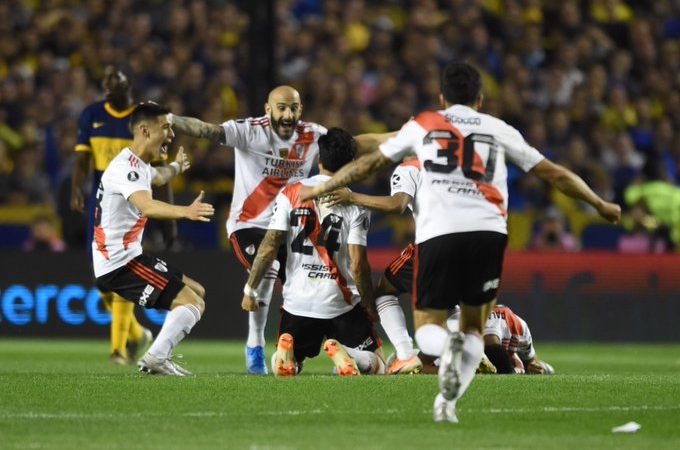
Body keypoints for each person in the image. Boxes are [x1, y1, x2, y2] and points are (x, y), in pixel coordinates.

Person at [299, 62, 620, 423]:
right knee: (473, 328)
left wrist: (324, 185)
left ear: (441, 98)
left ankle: (438, 346)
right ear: (480, 99)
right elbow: (556, 174)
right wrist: (599, 203)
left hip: (439, 233)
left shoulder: (424, 125)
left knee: (429, 329)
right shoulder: (499, 129)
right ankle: (446, 404)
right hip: (489, 235)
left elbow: (369, 159)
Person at [172, 86, 388, 374]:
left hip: (289, 223)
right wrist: (170, 118)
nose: (288, 115)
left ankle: (290, 346)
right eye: (281, 108)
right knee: (271, 266)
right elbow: (205, 130)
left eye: (293, 109)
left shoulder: (313, 135)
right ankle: (255, 346)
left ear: (301, 110)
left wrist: (399, 136)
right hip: (249, 225)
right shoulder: (249, 131)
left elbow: (354, 143)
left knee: (303, 275)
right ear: (267, 108)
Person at [241, 128, 384, 377]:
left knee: (293, 362)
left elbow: (269, 245)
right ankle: (350, 355)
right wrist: (369, 305)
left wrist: (250, 289)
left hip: (297, 305)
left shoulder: (291, 193)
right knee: (379, 365)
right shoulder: (355, 203)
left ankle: (284, 358)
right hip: (341, 304)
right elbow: (359, 264)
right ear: (351, 164)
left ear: (319, 160)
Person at [92, 102, 213, 376]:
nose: (171, 135)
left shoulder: (138, 165)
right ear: (145, 130)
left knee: (199, 292)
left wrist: (176, 167)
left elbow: (157, 177)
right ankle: (156, 357)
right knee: (193, 303)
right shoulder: (126, 169)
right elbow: (147, 206)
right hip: (119, 264)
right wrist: (186, 211)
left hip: (128, 257)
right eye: (166, 128)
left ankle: (158, 354)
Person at [71, 66, 168, 364]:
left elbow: (159, 170)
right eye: (106, 79)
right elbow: (82, 157)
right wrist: (77, 187)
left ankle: (117, 349)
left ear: (128, 84)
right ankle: (137, 334)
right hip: (103, 203)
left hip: (134, 202)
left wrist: (169, 217)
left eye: (115, 78)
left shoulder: (143, 119)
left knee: (125, 265)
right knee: (103, 277)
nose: (108, 83)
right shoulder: (92, 115)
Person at [322, 156, 423, 374]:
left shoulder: (410, 167)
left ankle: (405, 354)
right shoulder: (458, 166)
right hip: (475, 243)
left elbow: (397, 204)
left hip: (306, 301)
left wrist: (352, 197)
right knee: (449, 303)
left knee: (384, 292)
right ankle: (471, 354)